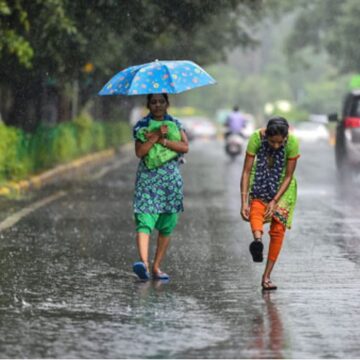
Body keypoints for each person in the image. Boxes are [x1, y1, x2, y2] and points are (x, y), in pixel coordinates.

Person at [132, 93, 189, 281]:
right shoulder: (141, 126)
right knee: (144, 219)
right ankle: (144, 264)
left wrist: (163, 140)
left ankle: (156, 267)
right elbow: (140, 152)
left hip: (170, 181)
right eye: (153, 102)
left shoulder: (175, 124)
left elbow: (184, 147)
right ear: (148, 105)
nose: (157, 105)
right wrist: (154, 136)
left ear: (167, 104)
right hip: (148, 180)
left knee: (167, 224)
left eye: (161, 102)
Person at [240, 117, 300, 290]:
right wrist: (244, 201)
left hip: (283, 186)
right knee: (256, 210)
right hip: (260, 179)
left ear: (286, 138)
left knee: (278, 229)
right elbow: (246, 171)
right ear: (266, 135)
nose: (275, 146)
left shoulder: (293, 142)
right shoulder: (255, 138)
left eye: (279, 142)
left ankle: (266, 276)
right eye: (272, 142)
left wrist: (274, 200)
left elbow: (288, 176)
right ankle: (257, 242)